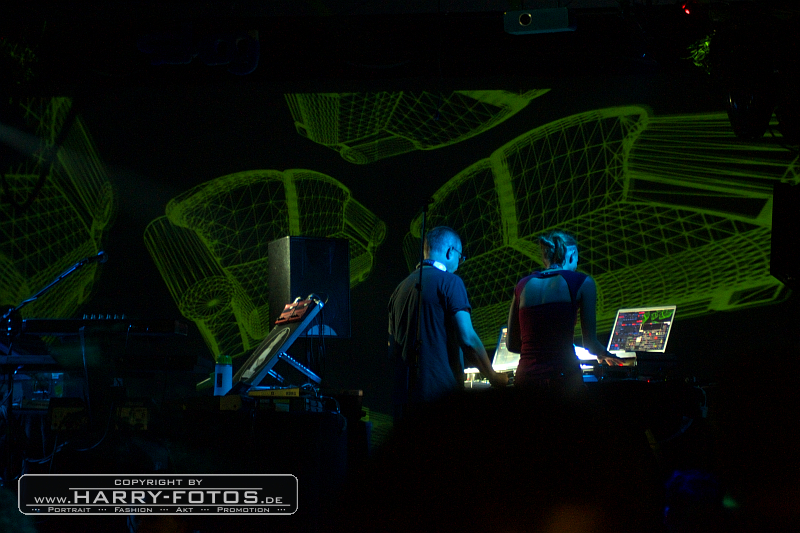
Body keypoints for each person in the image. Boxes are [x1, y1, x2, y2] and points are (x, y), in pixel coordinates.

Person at [388, 226, 508, 418]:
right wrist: (493, 377)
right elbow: (467, 338)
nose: (459, 264)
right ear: (450, 251)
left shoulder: (399, 290)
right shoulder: (450, 282)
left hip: (404, 402)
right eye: (460, 257)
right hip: (440, 398)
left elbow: (393, 349)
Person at [507, 230, 622, 392]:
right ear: (572, 254)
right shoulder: (582, 282)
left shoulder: (521, 285)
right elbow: (590, 343)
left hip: (526, 380)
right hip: (563, 379)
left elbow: (511, 345)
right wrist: (606, 354)